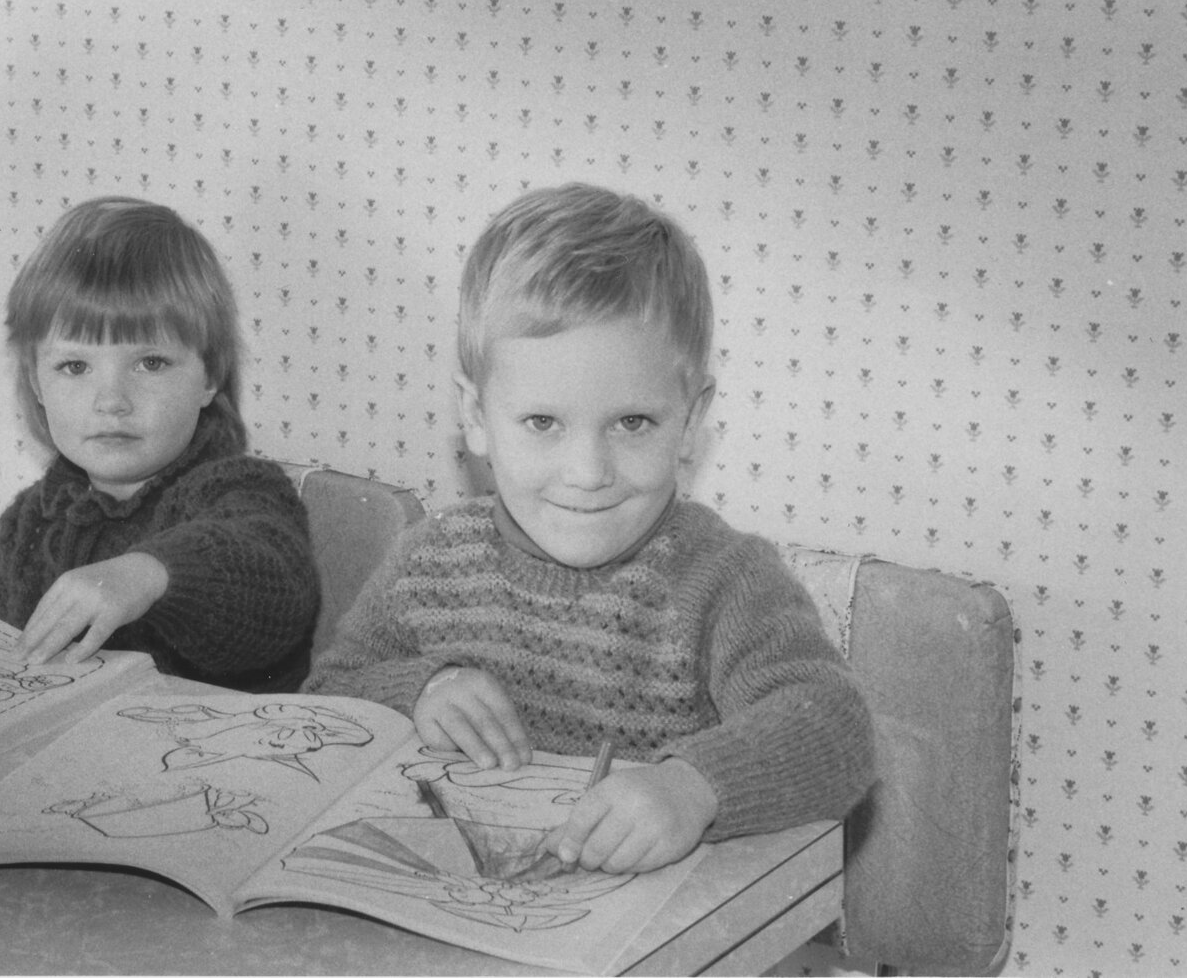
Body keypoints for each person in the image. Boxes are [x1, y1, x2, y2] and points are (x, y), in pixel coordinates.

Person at [305, 182, 875, 875]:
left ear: (689, 420)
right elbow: (327, 700)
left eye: (631, 422)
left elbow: (834, 727)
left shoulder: (722, 579)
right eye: (542, 422)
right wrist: (419, 688)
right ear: (477, 416)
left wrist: (692, 787)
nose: (586, 471)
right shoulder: (430, 560)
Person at [0, 196, 320, 692]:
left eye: (150, 363)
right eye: (75, 366)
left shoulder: (242, 493)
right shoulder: (30, 520)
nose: (112, 400)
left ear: (210, 376)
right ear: (36, 384)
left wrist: (150, 575)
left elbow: (275, 590)